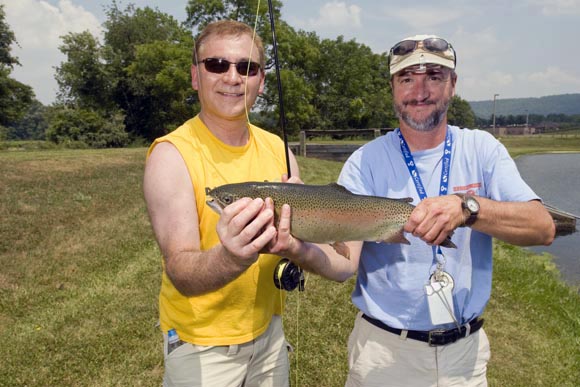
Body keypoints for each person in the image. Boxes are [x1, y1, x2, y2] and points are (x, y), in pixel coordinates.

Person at [264, 34, 556, 386]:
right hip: (384, 351)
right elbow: (343, 264)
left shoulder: (482, 150)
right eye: (407, 79)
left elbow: (543, 228)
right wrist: (297, 248)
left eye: (433, 76)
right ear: (392, 87)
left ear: (452, 85)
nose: (420, 91)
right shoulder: (366, 162)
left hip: (465, 356)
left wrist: (469, 208)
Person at [143, 20, 301, 386]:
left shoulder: (280, 150)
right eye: (216, 65)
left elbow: (305, 236)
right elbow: (180, 270)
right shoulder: (171, 155)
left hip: (269, 333)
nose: (232, 77)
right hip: (201, 347)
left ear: (261, 81)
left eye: (247, 67)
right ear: (195, 76)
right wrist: (233, 257)